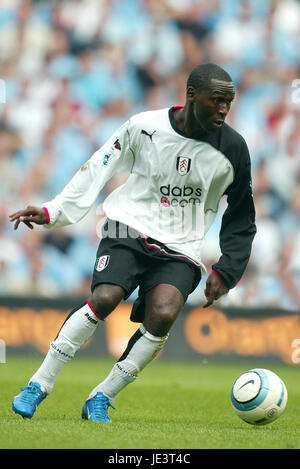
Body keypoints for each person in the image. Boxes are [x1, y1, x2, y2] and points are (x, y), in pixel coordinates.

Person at [9, 63, 256, 422]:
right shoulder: (144, 126)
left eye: (228, 103)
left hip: (182, 245)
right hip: (129, 225)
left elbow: (242, 215)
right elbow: (99, 167)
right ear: (191, 95)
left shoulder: (233, 149)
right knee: (105, 298)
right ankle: (38, 384)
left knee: (164, 314)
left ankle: (101, 396)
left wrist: (228, 269)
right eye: (216, 100)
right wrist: (53, 211)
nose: (223, 110)